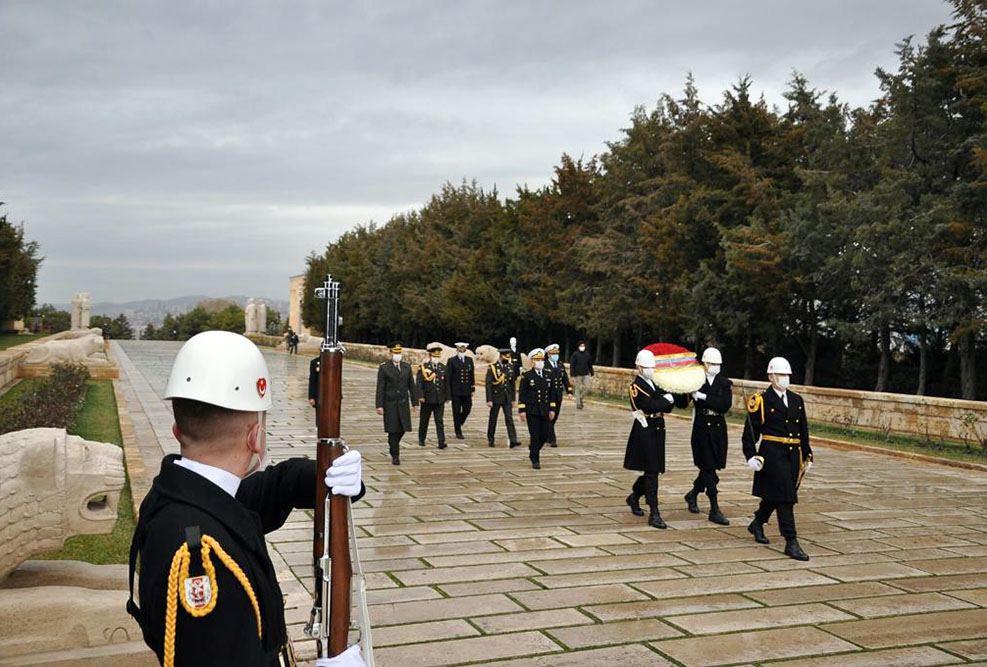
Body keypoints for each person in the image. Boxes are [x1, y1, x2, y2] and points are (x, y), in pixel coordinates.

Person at [126, 330, 366, 667]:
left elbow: (272, 488)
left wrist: (330, 473)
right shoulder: (199, 557)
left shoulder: (179, 493)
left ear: (177, 430)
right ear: (255, 437)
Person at [743, 356, 813, 561]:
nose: (785, 378)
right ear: (771, 376)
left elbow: (803, 431)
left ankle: (757, 522)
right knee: (786, 498)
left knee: (777, 494)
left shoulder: (796, 400)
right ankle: (791, 541)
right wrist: (750, 455)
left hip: (793, 455)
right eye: (781, 375)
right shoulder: (761, 400)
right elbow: (750, 432)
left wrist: (808, 454)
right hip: (772, 455)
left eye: (787, 375)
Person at [623, 349, 676, 529]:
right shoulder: (635, 387)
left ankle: (634, 497)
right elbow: (647, 406)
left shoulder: (654, 384)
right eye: (646, 367)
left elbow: (667, 407)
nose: (650, 370)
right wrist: (665, 399)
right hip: (644, 430)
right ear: (638, 367)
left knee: (652, 470)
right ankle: (654, 512)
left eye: (652, 367)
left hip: (658, 428)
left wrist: (666, 400)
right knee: (652, 471)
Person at [684, 347, 732, 525]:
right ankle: (714, 508)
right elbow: (684, 403)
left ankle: (693, 494)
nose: (715, 367)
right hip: (701, 428)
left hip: (718, 427)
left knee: (711, 467)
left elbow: (724, 405)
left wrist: (702, 396)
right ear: (704, 363)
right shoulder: (696, 380)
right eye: (712, 363)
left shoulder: (724, 383)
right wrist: (685, 388)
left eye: (717, 364)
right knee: (709, 468)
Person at [375, 343, 418, 465]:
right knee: (393, 430)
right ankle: (395, 455)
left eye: (399, 353)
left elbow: (411, 386)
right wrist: (379, 405)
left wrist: (415, 403)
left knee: (403, 429)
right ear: (391, 353)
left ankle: (393, 444)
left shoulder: (406, 367)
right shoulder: (384, 367)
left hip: (403, 403)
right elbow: (380, 388)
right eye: (395, 353)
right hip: (390, 404)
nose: (397, 355)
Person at [517, 348, 555, 469]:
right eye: (538, 360)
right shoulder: (527, 376)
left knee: (544, 435)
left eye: (542, 360)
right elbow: (522, 395)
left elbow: (552, 393)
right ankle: (535, 459)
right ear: (533, 361)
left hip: (544, 410)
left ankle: (533, 449)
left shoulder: (548, 374)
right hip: (532, 410)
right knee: (535, 435)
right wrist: (522, 411)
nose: (540, 362)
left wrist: (552, 409)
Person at [486, 347, 521, 448]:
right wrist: (489, 399)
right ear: (501, 356)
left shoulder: (510, 367)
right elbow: (488, 385)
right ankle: (491, 439)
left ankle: (513, 439)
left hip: (507, 397)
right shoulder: (492, 367)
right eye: (506, 356)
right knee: (493, 419)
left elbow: (512, 384)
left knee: (509, 418)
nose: (508, 358)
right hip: (496, 396)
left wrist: (514, 398)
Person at [417, 342, 449, 449]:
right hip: (427, 398)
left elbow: (446, 383)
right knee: (424, 420)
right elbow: (419, 382)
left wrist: (448, 397)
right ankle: (421, 439)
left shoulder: (443, 367)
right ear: (430, 355)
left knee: (439, 421)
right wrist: (420, 395)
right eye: (435, 356)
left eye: (438, 356)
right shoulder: (424, 367)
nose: (437, 358)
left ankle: (441, 441)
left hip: (440, 399)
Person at [544, 343, 572, 447]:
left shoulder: (560, 364)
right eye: (553, 353)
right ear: (548, 354)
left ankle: (546, 435)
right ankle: (552, 439)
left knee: (555, 417)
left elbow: (565, 378)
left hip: (558, 395)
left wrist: (569, 391)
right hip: (548, 395)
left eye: (557, 353)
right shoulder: (544, 365)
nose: (556, 355)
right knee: (550, 416)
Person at [447, 342, 475, 439]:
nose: (461, 351)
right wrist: (448, 392)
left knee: (467, 408)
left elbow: (471, 374)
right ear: (457, 350)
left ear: (465, 350)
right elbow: (448, 377)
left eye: (463, 349)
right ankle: (458, 431)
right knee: (456, 411)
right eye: (459, 349)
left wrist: (472, 388)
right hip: (456, 390)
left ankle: (459, 422)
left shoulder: (469, 360)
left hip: (467, 390)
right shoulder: (451, 361)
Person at [568, 341, 594, 409]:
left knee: (588, 388)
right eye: (581, 346)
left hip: (586, 374)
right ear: (578, 346)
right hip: (577, 374)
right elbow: (572, 365)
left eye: (583, 346)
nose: (582, 347)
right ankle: (578, 403)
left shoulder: (587, 354)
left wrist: (592, 372)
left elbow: (590, 364)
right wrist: (572, 375)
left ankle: (580, 398)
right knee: (577, 389)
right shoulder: (575, 354)